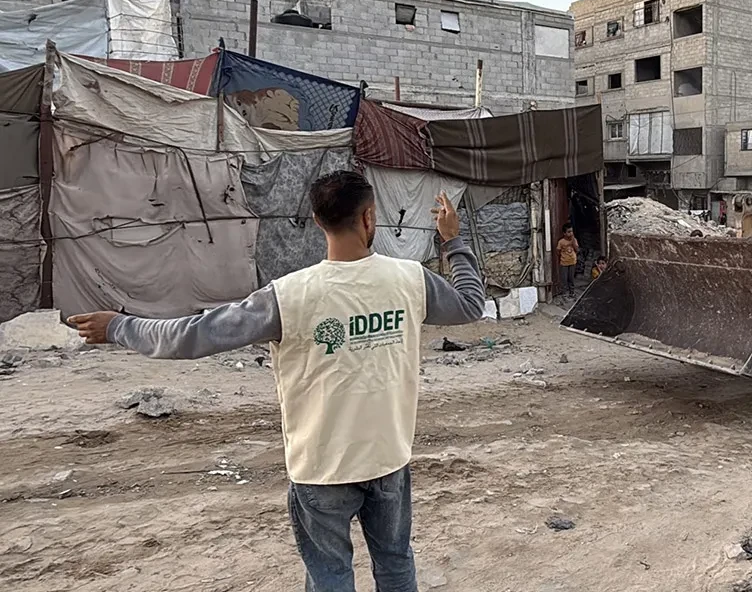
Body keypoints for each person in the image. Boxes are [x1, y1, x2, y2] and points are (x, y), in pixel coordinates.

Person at [68, 171, 486, 589]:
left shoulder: (287, 296)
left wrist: (120, 327)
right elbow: (471, 303)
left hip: (321, 467)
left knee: (330, 575)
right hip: (388, 457)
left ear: (318, 221)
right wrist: (452, 240)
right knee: (395, 565)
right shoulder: (410, 280)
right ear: (369, 218)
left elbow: (192, 336)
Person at [556, 223, 579, 295]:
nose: (571, 233)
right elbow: (558, 251)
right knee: (564, 278)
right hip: (564, 262)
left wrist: (573, 242)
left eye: (571, 231)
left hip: (572, 262)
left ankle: (572, 292)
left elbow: (577, 249)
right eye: (569, 232)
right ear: (564, 233)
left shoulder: (574, 240)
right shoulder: (561, 242)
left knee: (571, 278)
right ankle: (564, 292)